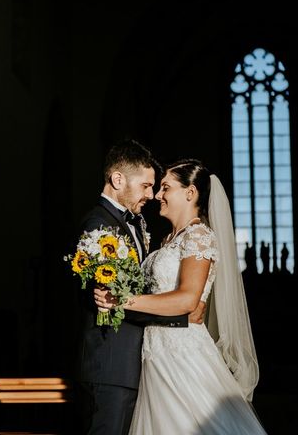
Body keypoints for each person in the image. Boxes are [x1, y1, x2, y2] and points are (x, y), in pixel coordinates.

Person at [95, 159, 266, 434]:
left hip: (181, 353)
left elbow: (187, 299)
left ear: (190, 193)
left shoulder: (198, 236)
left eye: (165, 188)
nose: (158, 196)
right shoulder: (169, 240)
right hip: (155, 353)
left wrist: (122, 300)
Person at [74, 141, 205, 435]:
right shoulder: (99, 226)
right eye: (146, 186)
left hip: (136, 363)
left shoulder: (133, 223)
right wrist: (181, 316)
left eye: (155, 187)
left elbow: (131, 295)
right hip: (111, 365)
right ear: (117, 179)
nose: (151, 194)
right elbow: (114, 302)